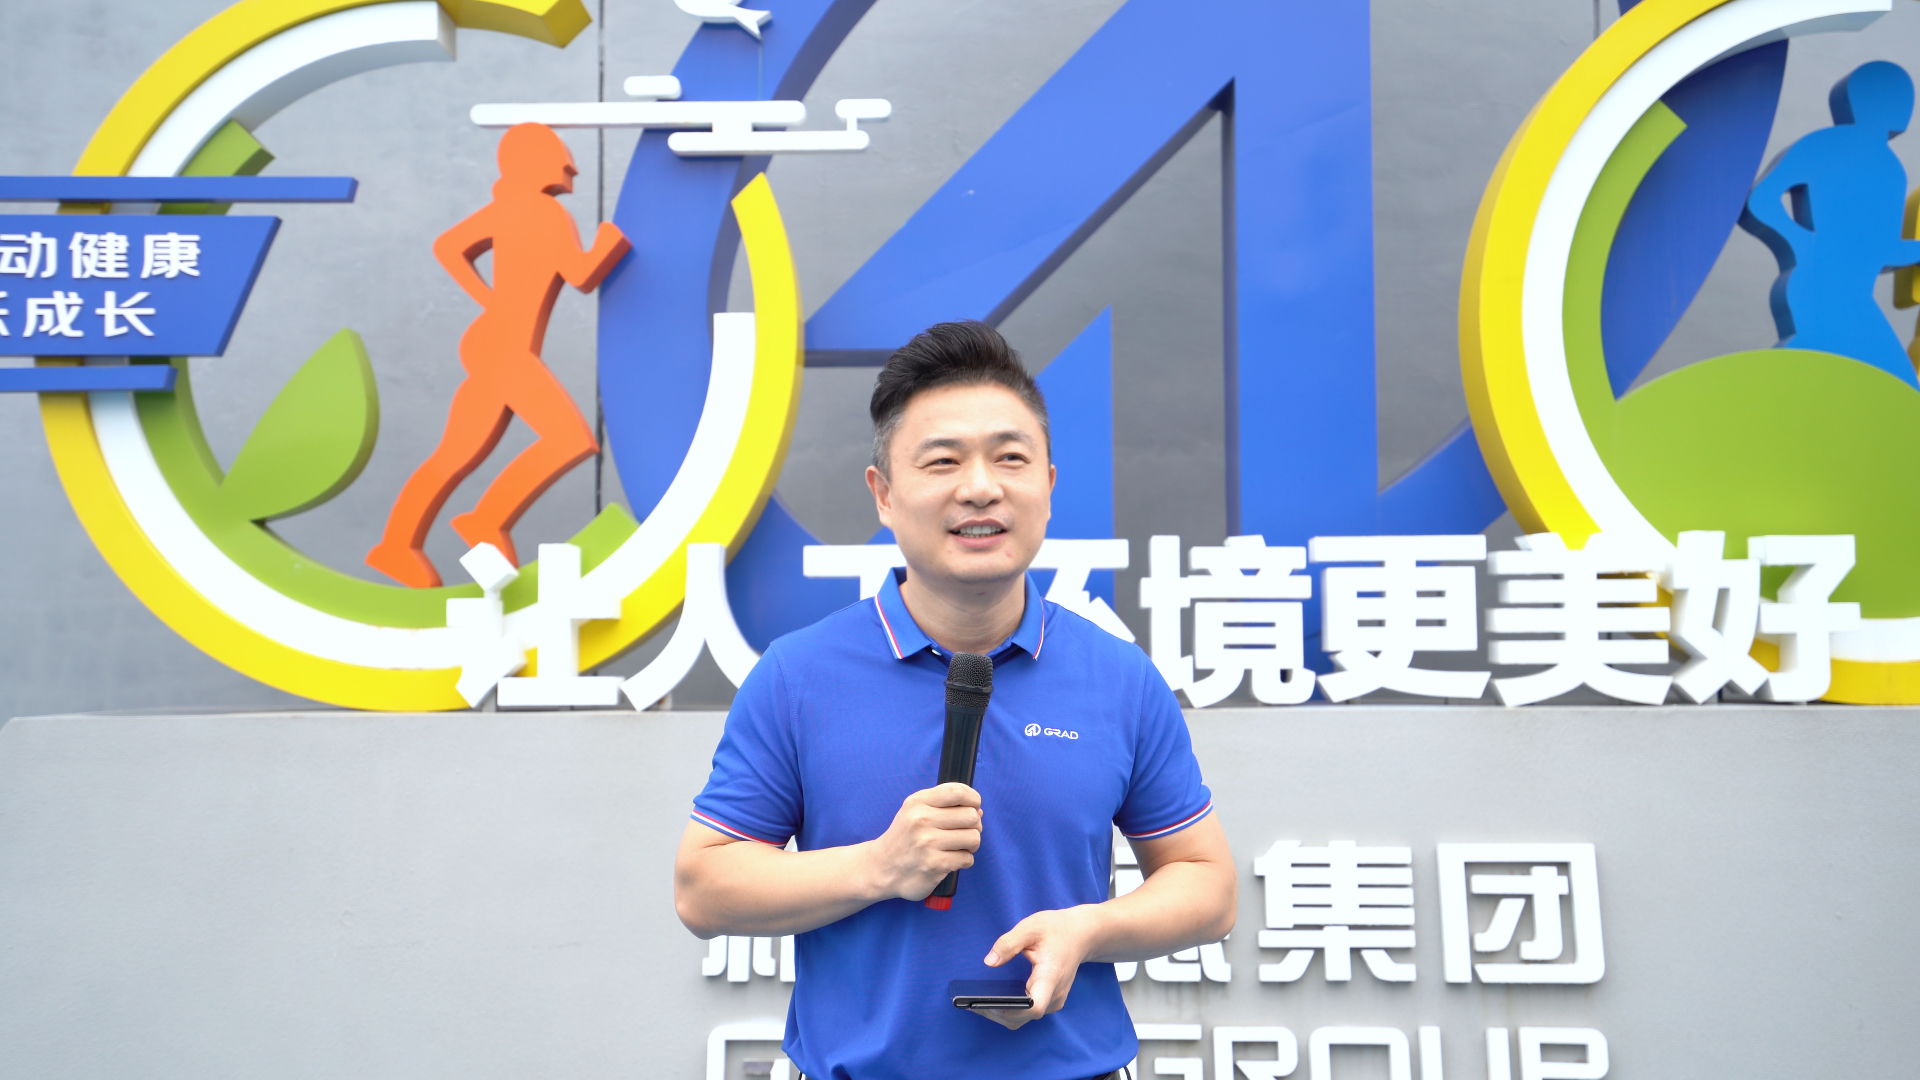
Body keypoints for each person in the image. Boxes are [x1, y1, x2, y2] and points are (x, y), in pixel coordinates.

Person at [674, 321, 1236, 1080]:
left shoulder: (1119, 678)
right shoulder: (796, 676)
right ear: (883, 494)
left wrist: (1091, 929)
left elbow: (1207, 884)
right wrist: (879, 866)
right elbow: (704, 890)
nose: (980, 487)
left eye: (1011, 458)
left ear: (1048, 485)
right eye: (943, 460)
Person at [367, 122, 630, 588]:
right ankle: (486, 520)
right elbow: (580, 273)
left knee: (457, 454)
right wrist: (610, 240)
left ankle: (398, 546)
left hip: (492, 341)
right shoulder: (545, 214)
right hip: (504, 348)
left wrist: (487, 298)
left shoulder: (508, 208)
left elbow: (449, 246)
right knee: (569, 440)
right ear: (537, 164)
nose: (571, 170)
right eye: (563, 161)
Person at [1739, 60, 1920, 387]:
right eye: (1899, 96)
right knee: (1897, 388)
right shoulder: (1824, 147)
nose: (1907, 106)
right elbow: (1761, 200)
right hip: (1820, 290)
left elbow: (1882, 252)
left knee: (1874, 389)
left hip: (1852, 295)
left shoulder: (1890, 169)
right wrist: (1801, 240)